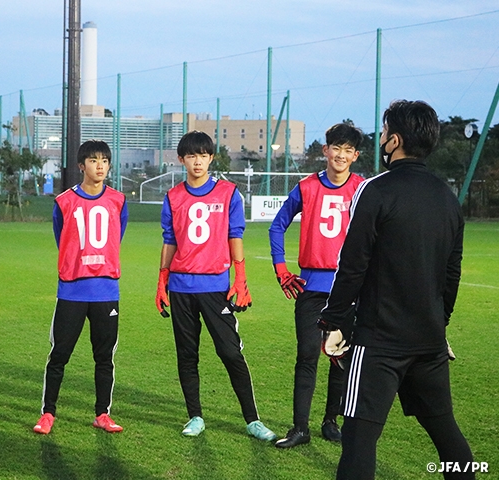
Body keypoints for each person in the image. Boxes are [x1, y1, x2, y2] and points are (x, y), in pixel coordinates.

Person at [319, 100, 475, 479]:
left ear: (396, 140)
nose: (383, 138)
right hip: (429, 340)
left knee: (357, 437)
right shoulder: (447, 197)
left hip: (379, 342)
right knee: (445, 431)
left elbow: (352, 264)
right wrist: (441, 323)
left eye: (386, 132)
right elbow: (451, 274)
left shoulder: (375, 190)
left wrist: (334, 320)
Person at [155, 130, 276, 441]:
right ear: (182, 160)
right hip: (181, 288)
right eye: (192, 156)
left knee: (230, 352)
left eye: (203, 155)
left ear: (211, 158)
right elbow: (169, 240)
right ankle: (195, 416)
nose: (198, 161)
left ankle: (252, 420)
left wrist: (241, 279)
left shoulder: (228, 193)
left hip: (215, 288)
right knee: (187, 355)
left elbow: (235, 236)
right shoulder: (173, 197)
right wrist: (161, 281)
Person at [269, 123, 364, 449]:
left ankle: (331, 421)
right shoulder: (307, 187)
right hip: (311, 287)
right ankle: (300, 428)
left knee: (340, 358)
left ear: (355, 155)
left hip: (347, 289)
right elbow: (277, 225)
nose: (340, 154)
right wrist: (281, 269)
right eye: (335, 148)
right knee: (307, 355)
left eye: (347, 150)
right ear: (325, 151)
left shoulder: (362, 189)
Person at [34, 140, 128, 435]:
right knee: (59, 353)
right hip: (73, 290)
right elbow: (61, 240)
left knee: (104, 356)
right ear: (81, 165)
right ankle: (48, 413)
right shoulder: (64, 202)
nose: (99, 166)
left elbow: (117, 236)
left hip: (106, 291)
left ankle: (102, 413)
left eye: (104, 161)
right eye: (93, 160)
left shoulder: (119, 200)